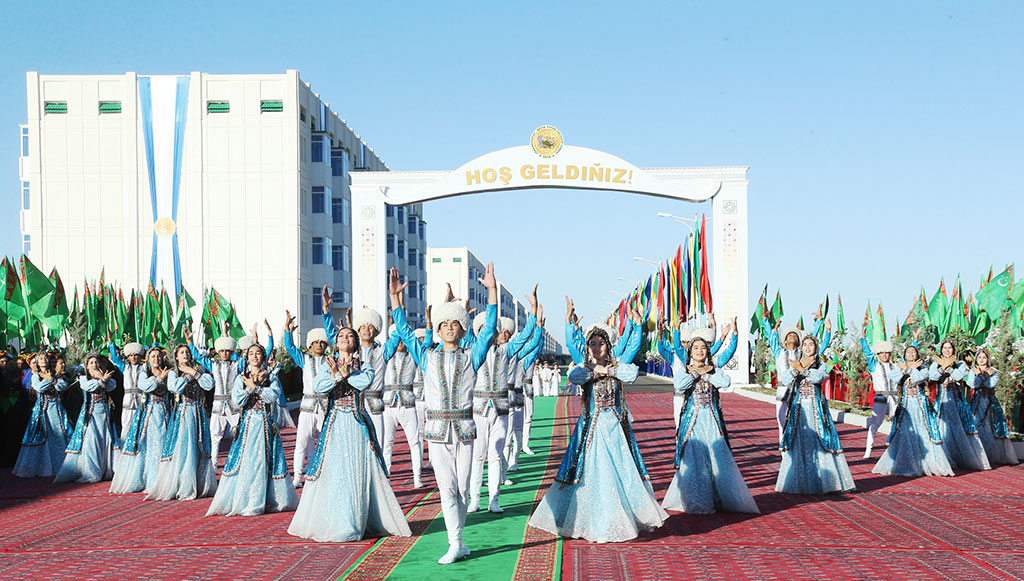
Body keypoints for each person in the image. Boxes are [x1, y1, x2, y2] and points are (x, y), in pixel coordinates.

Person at [528, 303, 666, 543]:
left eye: (601, 343)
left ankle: (620, 519)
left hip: (614, 427)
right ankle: (595, 520)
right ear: (588, 347)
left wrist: (636, 326)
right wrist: (570, 326)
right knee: (592, 471)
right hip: (591, 429)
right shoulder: (583, 368)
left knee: (619, 470)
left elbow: (630, 373)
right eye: (592, 343)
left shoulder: (617, 367)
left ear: (608, 346)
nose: (596, 347)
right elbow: (574, 376)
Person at [389, 265, 498, 564]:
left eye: (455, 323)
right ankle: (455, 543)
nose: (450, 327)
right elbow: (403, 331)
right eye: (444, 323)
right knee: (447, 489)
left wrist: (492, 292)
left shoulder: (471, 356)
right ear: (437, 328)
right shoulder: (426, 356)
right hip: (437, 432)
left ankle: (459, 541)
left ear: (463, 329)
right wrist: (395, 300)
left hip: (464, 429)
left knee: (463, 489)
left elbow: (489, 329)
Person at [287, 325, 410, 541]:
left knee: (357, 471)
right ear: (335, 342)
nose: (345, 338)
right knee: (335, 472)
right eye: (341, 336)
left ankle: (356, 520)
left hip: (357, 423)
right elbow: (320, 386)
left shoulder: (364, 366)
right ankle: (338, 520)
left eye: (349, 335)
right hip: (334, 424)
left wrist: (342, 374)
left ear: (355, 342)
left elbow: (363, 382)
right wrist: (338, 375)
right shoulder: (327, 365)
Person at [662, 332, 757, 514]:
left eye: (703, 348)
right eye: (696, 348)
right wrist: (697, 373)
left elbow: (724, 382)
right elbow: (680, 385)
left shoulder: (714, 370)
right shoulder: (685, 371)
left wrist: (708, 372)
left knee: (716, 459)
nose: (699, 351)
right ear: (689, 352)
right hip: (693, 422)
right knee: (695, 459)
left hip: (712, 421)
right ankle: (696, 500)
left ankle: (718, 498)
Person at [466, 287, 538, 514]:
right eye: (482, 331)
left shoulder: (506, 350)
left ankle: (494, 500)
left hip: (501, 409)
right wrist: (466, 315)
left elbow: (526, 336)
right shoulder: (471, 349)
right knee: (478, 456)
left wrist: (534, 310)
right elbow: (467, 333)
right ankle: (475, 499)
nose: (488, 334)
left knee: (496, 455)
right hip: (478, 409)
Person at [207, 344, 297, 516]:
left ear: (263, 356)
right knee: (248, 461)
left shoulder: (271, 377)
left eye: (258, 353)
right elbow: (238, 400)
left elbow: (273, 395)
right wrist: (250, 387)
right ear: (246, 357)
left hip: (266, 424)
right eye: (251, 353)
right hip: (248, 425)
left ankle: (265, 499)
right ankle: (247, 499)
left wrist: (255, 388)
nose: (254, 356)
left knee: (265, 461)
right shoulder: (241, 378)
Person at [775, 335, 855, 494]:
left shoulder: (822, 365)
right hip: (799, 410)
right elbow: (785, 380)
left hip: (816, 410)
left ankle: (826, 482)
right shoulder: (795, 364)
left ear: (816, 348)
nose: (807, 347)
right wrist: (795, 369)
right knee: (799, 442)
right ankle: (799, 481)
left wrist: (803, 370)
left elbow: (819, 378)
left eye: (811, 345)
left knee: (820, 440)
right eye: (805, 345)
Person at [146, 345, 217, 501]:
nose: (185, 354)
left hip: (198, 413)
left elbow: (209, 384)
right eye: (182, 353)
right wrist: (187, 375)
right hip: (184, 413)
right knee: (185, 447)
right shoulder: (173, 372)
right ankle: (184, 484)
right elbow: (174, 388)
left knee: (200, 446)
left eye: (187, 352)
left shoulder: (199, 370)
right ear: (176, 356)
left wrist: (192, 372)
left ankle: (200, 484)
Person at [871, 344, 954, 477]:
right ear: (904, 355)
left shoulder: (923, 368)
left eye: (913, 352)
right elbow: (895, 378)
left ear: (917, 355)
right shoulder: (898, 368)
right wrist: (905, 369)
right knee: (904, 432)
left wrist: (909, 369)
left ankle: (930, 463)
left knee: (924, 432)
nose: (910, 354)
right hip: (906, 406)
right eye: (908, 352)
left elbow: (919, 378)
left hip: (921, 405)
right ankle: (905, 463)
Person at [109, 347, 172, 493]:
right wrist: (111, 343)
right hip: (149, 412)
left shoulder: (168, 372)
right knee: (151, 444)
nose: (156, 359)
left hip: (165, 412)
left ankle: (165, 479)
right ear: (148, 360)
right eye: (153, 357)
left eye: (158, 356)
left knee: (164, 444)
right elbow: (144, 386)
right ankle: (152, 480)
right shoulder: (143, 372)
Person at [281, 310, 331, 488]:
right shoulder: (305, 359)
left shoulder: (331, 361)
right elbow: (290, 348)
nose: (318, 345)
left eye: (321, 342)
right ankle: (297, 477)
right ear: (310, 345)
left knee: (325, 444)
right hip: (308, 406)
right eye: (315, 342)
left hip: (325, 407)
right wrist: (287, 330)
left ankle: (321, 474)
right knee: (301, 443)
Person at [54, 355, 117, 483]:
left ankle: (106, 469)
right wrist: (101, 380)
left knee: (105, 439)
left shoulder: (107, 377)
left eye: (96, 362)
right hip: (90, 415)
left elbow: (111, 387)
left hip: (104, 414)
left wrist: (103, 379)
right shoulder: (83, 379)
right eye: (91, 363)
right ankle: (92, 472)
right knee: (92, 440)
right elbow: (89, 387)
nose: (95, 365)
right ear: (87, 367)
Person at [930, 340, 990, 471]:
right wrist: (942, 367)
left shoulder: (960, 363)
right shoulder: (935, 363)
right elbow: (933, 376)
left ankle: (961, 458)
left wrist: (948, 367)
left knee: (958, 427)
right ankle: (942, 459)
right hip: (941, 400)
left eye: (949, 348)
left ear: (953, 350)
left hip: (956, 400)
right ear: (941, 350)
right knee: (941, 427)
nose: (947, 350)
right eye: (944, 348)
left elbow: (958, 376)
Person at [186, 330, 242, 470]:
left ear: (231, 352)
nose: (224, 354)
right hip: (218, 405)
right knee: (215, 436)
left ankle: (238, 462)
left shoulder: (237, 365)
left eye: (227, 351)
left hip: (233, 405)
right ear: (218, 352)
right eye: (222, 351)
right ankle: (213, 464)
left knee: (239, 434)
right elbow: (198, 357)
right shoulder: (213, 365)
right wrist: (189, 342)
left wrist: (229, 334)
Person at [14, 353, 72, 478]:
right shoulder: (36, 376)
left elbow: (62, 386)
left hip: (56, 408)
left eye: (45, 358)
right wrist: (50, 380)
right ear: (37, 363)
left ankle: (62, 465)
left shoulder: (55, 374)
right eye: (40, 358)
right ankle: (43, 467)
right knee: (43, 435)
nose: (44, 360)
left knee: (60, 434)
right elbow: (39, 388)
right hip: (43, 410)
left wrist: (53, 380)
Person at [505, 315, 544, 471]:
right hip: (500, 398)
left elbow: (535, 347)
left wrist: (539, 329)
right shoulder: (495, 354)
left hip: (519, 395)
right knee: (505, 434)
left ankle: (515, 459)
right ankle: (502, 468)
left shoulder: (522, 359)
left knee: (519, 429)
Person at [968, 348, 1019, 465]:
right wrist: (983, 375)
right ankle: (979, 455)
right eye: (979, 357)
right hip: (977, 402)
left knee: (991, 425)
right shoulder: (973, 370)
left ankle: (992, 455)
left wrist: (980, 376)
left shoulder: (993, 371)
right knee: (976, 424)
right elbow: (972, 384)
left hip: (990, 402)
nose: (981, 360)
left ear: (988, 359)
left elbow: (990, 384)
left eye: (984, 357)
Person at [861, 336, 899, 458]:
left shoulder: (895, 366)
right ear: (878, 354)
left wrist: (915, 342)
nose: (884, 355)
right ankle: (868, 450)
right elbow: (868, 353)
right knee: (874, 425)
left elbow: (908, 358)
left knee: (897, 424)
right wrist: (863, 339)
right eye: (881, 353)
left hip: (894, 398)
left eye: (886, 353)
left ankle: (895, 449)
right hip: (881, 397)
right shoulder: (874, 365)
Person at [107, 339, 149, 439]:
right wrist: (110, 342)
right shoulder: (124, 367)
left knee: (141, 423)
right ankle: (124, 446)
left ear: (140, 355)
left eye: (136, 355)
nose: (133, 357)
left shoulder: (145, 367)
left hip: (140, 398)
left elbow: (152, 357)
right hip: (128, 399)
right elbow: (115, 358)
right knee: (126, 424)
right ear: (128, 356)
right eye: (131, 355)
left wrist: (154, 342)